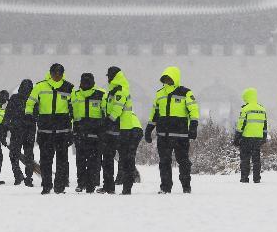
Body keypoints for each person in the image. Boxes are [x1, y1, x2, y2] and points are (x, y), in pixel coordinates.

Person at [144, 66, 199, 194]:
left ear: (175, 78)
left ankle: (186, 186)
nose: (167, 80)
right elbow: (154, 114)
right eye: (165, 78)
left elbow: (194, 111)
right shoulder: (159, 94)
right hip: (163, 135)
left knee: (184, 162)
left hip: (181, 135)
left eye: (169, 78)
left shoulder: (186, 93)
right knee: (164, 162)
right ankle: (165, 187)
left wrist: (193, 127)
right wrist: (149, 129)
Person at [26, 63, 74, 194]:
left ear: (63, 74)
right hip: (45, 131)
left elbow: (74, 108)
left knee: (62, 161)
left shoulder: (69, 87)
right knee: (46, 160)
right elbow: (30, 103)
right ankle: (46, 185)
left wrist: (73, 127)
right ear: (51, 73)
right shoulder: (40, 86)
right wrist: (30, 115)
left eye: (60, 73)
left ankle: (59, 187)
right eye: (55, 73)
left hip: (62, 131)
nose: (57, 76)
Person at [99, 66, 143, 195]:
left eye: (109, 76)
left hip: (123, 131)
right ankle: (109, 186)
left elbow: (117, 110)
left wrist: (108, 121)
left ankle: (126, 188)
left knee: (125, 160)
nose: (108, 78)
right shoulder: (112, 92)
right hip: (114, 131)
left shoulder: (121, 91)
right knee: (108, 159)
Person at [70, 73, 106, 193]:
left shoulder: (101, 95)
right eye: (84, 81)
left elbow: (105, 113)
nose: (85, 84)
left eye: (88, 81)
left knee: (93, 161)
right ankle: (81, 183)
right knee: (81, 161)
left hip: (95, 135)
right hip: (80, 134)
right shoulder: (74, 95)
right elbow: (70, 113)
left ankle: (90, 184)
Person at [3, 79, 36, 186]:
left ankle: (18, 174)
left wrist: (6, 126)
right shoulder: (34, 99)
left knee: (14, 154)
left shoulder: (14, 98)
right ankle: (28, 177)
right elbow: (38, 116)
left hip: (17, 131)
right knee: (28, 155)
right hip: (29, 131)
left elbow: (8, 114)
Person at [233, 87, 268, 183]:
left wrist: (237, 137)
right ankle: (257, 178)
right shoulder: (262, 109)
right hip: (258, 138)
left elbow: (241, 125)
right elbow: (265, 125)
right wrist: (264, 137)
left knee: (245, 159)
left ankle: (244, 178)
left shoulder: (245, 109)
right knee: (256, 159)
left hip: (246, 138)